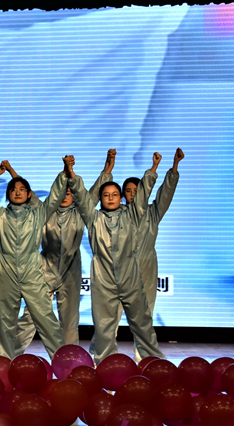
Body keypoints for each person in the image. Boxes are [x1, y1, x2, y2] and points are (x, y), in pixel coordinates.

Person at [13, 150, 116, 354]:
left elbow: (95, 193)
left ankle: (69, 359)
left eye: (70, 193)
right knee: (32, 315)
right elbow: (27, 193)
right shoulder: (45, 211)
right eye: (63, 192)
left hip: (71, 270)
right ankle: (11, 353)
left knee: (69, 320)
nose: (65, 196)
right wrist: (11, 172)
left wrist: (107, 170)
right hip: (44, 268)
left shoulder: (80, 212)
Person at [0, 157, 70, 359]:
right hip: (5, 271)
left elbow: (55, 196)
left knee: (46, 318)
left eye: (22, 189)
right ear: (7, 194)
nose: (17, 192)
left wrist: (65, 171)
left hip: (31, 271)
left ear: (29, 194)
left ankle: (62, 362)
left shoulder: (38, 213)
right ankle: (5, 362)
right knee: (5, 322)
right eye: (13, 189)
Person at [68, 153, 166, 364]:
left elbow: (142, 196)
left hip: (131, 278)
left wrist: (153, 169)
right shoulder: (94, 218)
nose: (111, 198)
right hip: (103, 280)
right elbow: (83, 199)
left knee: (142, 323)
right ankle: (104, 363)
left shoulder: (131, 216)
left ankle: (153, 362)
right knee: (104, 325)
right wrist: (71, 172)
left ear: (121, 198)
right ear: (101, 198)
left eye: (114, 194)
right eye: (106, 195)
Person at [117, 148, 183, 360]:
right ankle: (105, 353)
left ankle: (142, 353)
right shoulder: (117, 214)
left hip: (146, 264)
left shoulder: (153, 212)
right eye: (128, 191)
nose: (133, 194)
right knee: (111, 313)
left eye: (136, 190)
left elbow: (166, 194)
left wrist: (174, 167)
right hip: (121, 266)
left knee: (145, 312)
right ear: (122, 195)